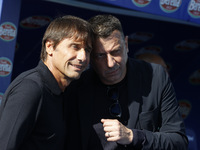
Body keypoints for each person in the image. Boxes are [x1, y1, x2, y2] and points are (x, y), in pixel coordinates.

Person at [67, 14, 188, 149]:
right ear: (89, 55)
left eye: (116, 51)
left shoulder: (155, 77)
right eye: (100, 55)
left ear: (126, 44)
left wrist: (133, 136)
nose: (111, 63)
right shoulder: (77, 86)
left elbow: (178, 141)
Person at [0, 15, 94, 150]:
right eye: (75, 47)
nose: (83, 57)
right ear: (50, 47)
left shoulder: (65, 91)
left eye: (87, 50)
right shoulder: (31, 88)